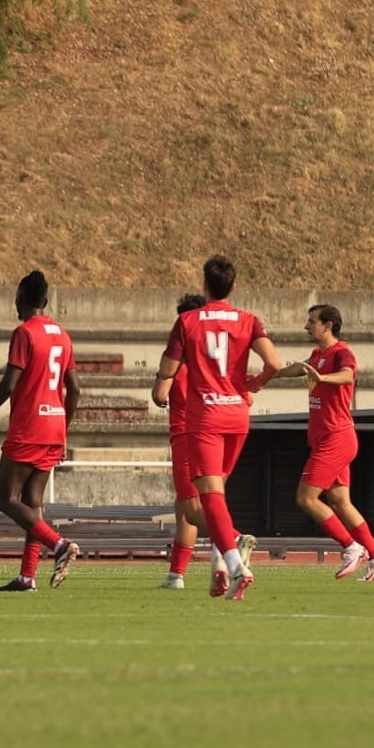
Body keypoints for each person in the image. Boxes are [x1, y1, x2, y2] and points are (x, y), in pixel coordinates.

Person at [152, 255, 282, 600]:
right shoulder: (249, 320)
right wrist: (252, 384)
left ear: (204, 284)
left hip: (204, 419)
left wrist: (166, 378)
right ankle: (220, 569)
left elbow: (167, 373)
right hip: (237, 416)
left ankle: (236, 562)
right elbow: (274, 363)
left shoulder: (188, 322)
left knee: (205, 501)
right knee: (215, 500)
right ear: (233, 286)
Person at [0, 270, 82, 592]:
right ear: (45, 300)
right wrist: (62, 425)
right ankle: (27, 577)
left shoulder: (25, 333)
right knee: (32, 502)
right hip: (55, 426)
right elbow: (76, 389)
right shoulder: (63, 334)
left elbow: (9, 384)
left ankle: (59, 545)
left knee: (7, 499)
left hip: (30, 426)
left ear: (20, 298)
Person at [268, 304, 374, 581]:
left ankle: (350, 547)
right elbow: (301, 369)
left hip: (336, 438)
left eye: (312, 321)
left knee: (306, 498)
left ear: (328, 325)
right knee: (339, 501)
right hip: (331, 438)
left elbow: (348, 374)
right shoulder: (318, 354)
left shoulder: (341, 352)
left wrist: (322, 378)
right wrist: (267, 376)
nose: (306, 326)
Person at [151, 293, 227, 589]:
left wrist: (161, 378)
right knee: (189, 507)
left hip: (187, 435)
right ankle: (177, 575)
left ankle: (234, 542)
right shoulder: (215, 359)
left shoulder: (180, 355)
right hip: (216, 432)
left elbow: (159, 395)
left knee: (193, 509)